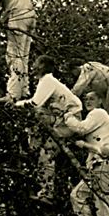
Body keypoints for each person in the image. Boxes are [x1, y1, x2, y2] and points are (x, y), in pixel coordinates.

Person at [15, 55, 82, 204]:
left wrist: (15, 104)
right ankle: (32, 147)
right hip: (61, 117)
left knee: (47, 153)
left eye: (36, 63)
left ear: (42, 66)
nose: (33, 66)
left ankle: (47, 192)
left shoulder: (47, 80)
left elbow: (34, 103)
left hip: (70, 119)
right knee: (37, 120)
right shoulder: (46, 81)